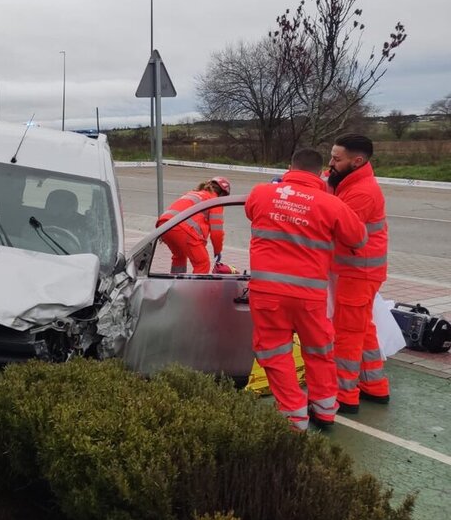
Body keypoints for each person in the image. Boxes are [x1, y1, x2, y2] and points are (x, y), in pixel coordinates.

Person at [245, 148, 367, 431]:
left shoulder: (261, 192)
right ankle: (325, 412)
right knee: (319, 351)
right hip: (310, 297)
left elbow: (252, 213)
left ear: (290, 167)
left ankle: (293, 416)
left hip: (268, 294)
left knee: (275, 353)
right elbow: (358, 238)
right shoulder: (331, 204)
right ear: (319, 172)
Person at [328, 133, 390, 413]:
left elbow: (340, 230)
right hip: (361, 270)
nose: (331, 163)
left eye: (336, 159)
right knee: (363, 330)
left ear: (357, 161)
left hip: (358, 273)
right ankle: (374, 385)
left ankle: (344, 394)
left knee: (347, 334)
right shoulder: (350, 183)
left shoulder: (361, 192)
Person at [157, 177, 230, 274]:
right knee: (202, 263)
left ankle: (176, 285)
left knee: (179, 256)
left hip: (164, 225)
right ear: (222, 193)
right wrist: (217, 251)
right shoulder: (214, 201)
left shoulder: (194, 194)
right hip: (182, 228)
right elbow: (217, 232)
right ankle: (195, 289)